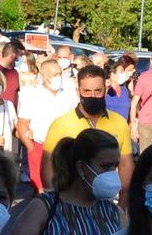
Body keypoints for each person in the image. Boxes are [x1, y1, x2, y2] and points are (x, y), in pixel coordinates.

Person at [40, 63, 132, 193]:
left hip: (108, 200)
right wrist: (55, 201)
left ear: (105, 90)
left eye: (98, 91)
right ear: (78, 92)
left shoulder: (119, 122)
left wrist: (123, 202)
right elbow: (48, 165)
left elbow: (126, 164)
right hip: (72, 200)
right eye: (87, 91)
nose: (92, 96)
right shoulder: (61, 124)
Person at [16, 55, 75, 193]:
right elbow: (22, 124)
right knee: (41, 189)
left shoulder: (69, 95)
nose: (58, 77)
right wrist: (31, 148)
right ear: (44, 75)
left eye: (60, 73)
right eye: (54, 74)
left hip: (64, 147)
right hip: (40, 147)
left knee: (64, 186)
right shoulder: (32, 95)